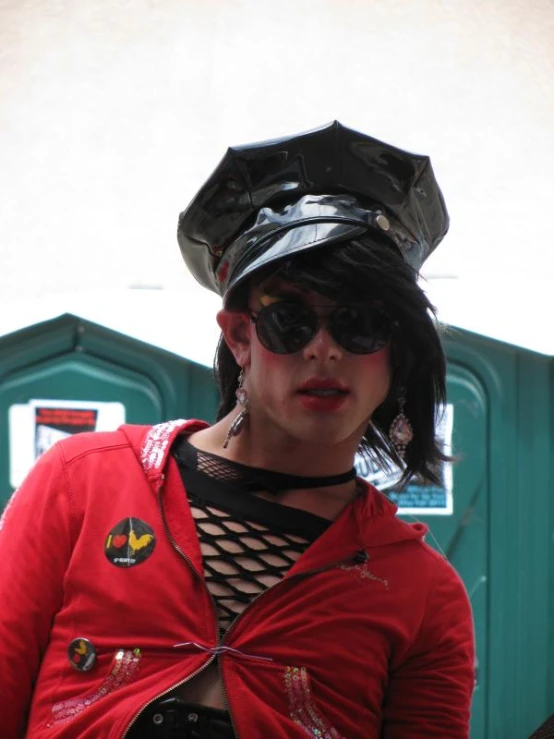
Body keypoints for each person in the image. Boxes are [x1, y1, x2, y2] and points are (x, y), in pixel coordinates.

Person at [0, 121, 475, 738]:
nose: (324, 351)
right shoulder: (82, 483)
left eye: (359, 324)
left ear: (396, 352)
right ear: (240, 337)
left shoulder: (422, 593)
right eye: (290, 321)